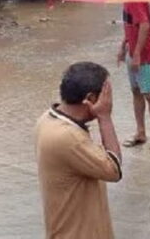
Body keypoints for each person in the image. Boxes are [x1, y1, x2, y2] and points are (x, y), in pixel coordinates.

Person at [35, 62, 122, 239]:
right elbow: (114, 169)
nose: (108, 101)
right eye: (105, 95)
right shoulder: (69, 138)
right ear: (90, 99)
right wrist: (104, 117)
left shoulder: (46, 119)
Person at [118, 2, 150, 154]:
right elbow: (131, 25)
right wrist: (123, 46)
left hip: (146, 56)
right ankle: (140, 131)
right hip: (133, 51)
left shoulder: (135, 0)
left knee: (149, 94)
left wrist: (137, 53)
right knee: (136, 91)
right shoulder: (127, 1)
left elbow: (145, 25)